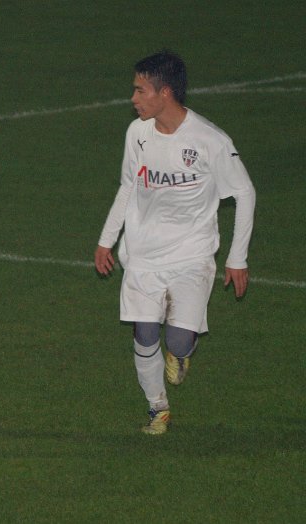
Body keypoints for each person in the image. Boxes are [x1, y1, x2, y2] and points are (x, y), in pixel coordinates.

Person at [94, 51, 256, 435]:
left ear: (164, 92)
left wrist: (237, 258)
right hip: (143, 255)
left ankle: (181, 354)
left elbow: (244, 192)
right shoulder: (138, 133)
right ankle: (158, 407)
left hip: (191, 256)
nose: (133, 98)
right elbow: (128, 186)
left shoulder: (209, 140)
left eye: (140, 90)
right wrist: (106, 239)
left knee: (179, 340)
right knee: (145, 332)